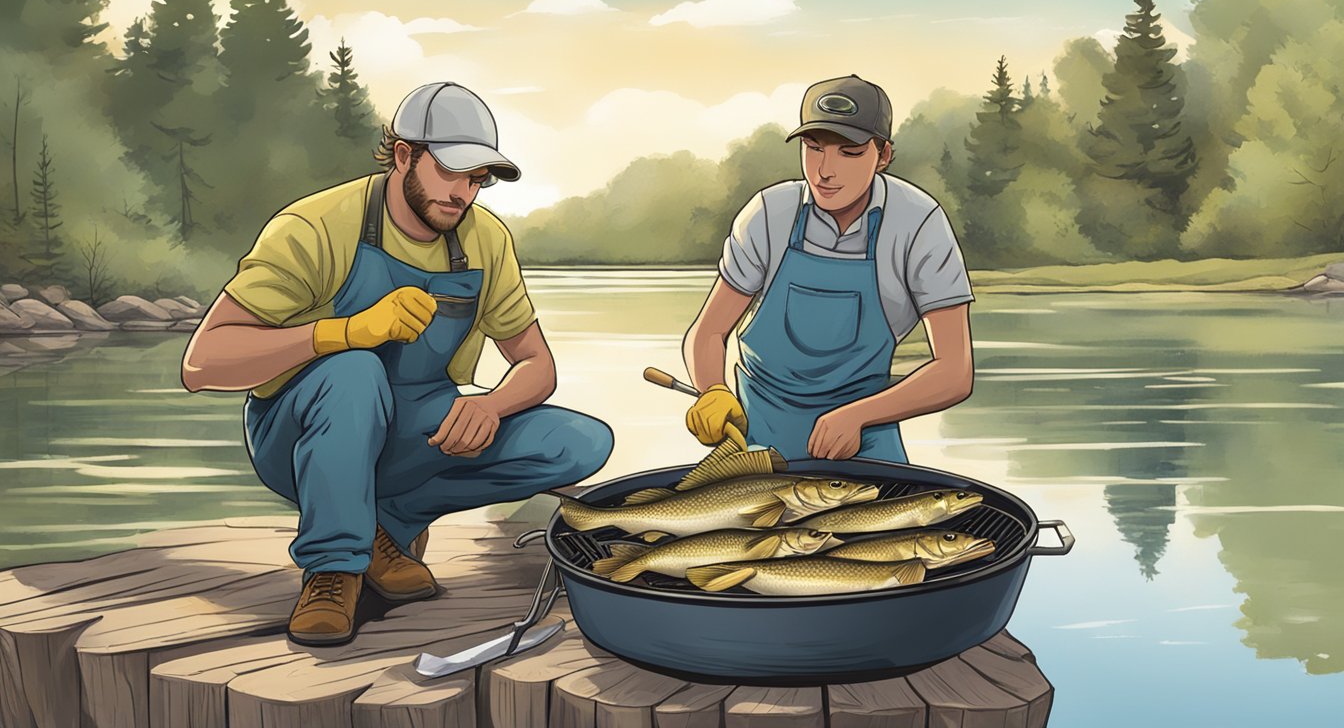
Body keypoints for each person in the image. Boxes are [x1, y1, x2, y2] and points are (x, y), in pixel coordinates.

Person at [181, 82, 613, 645]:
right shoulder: (316, 227)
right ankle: (334, 568)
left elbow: (536, 364)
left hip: (415, 420)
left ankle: (387, 523)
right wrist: (344, 333)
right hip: (297, 429)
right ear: (404, 154)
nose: (463, 194)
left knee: (578, 443)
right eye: (451, 172)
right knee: (354, 372)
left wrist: (490, 404)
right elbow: (203, 361)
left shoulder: (485, 241)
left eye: (477, 179)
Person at [683, 75, 974, 464]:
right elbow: (708, 332)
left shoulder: (918, 223)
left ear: (883, 154)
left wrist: (860, 415)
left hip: (867, 447)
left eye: (848, 152)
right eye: (813, 148)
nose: (824, 171)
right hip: (757, 448)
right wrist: (712, 390)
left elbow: (955, 372)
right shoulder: (770, 214)